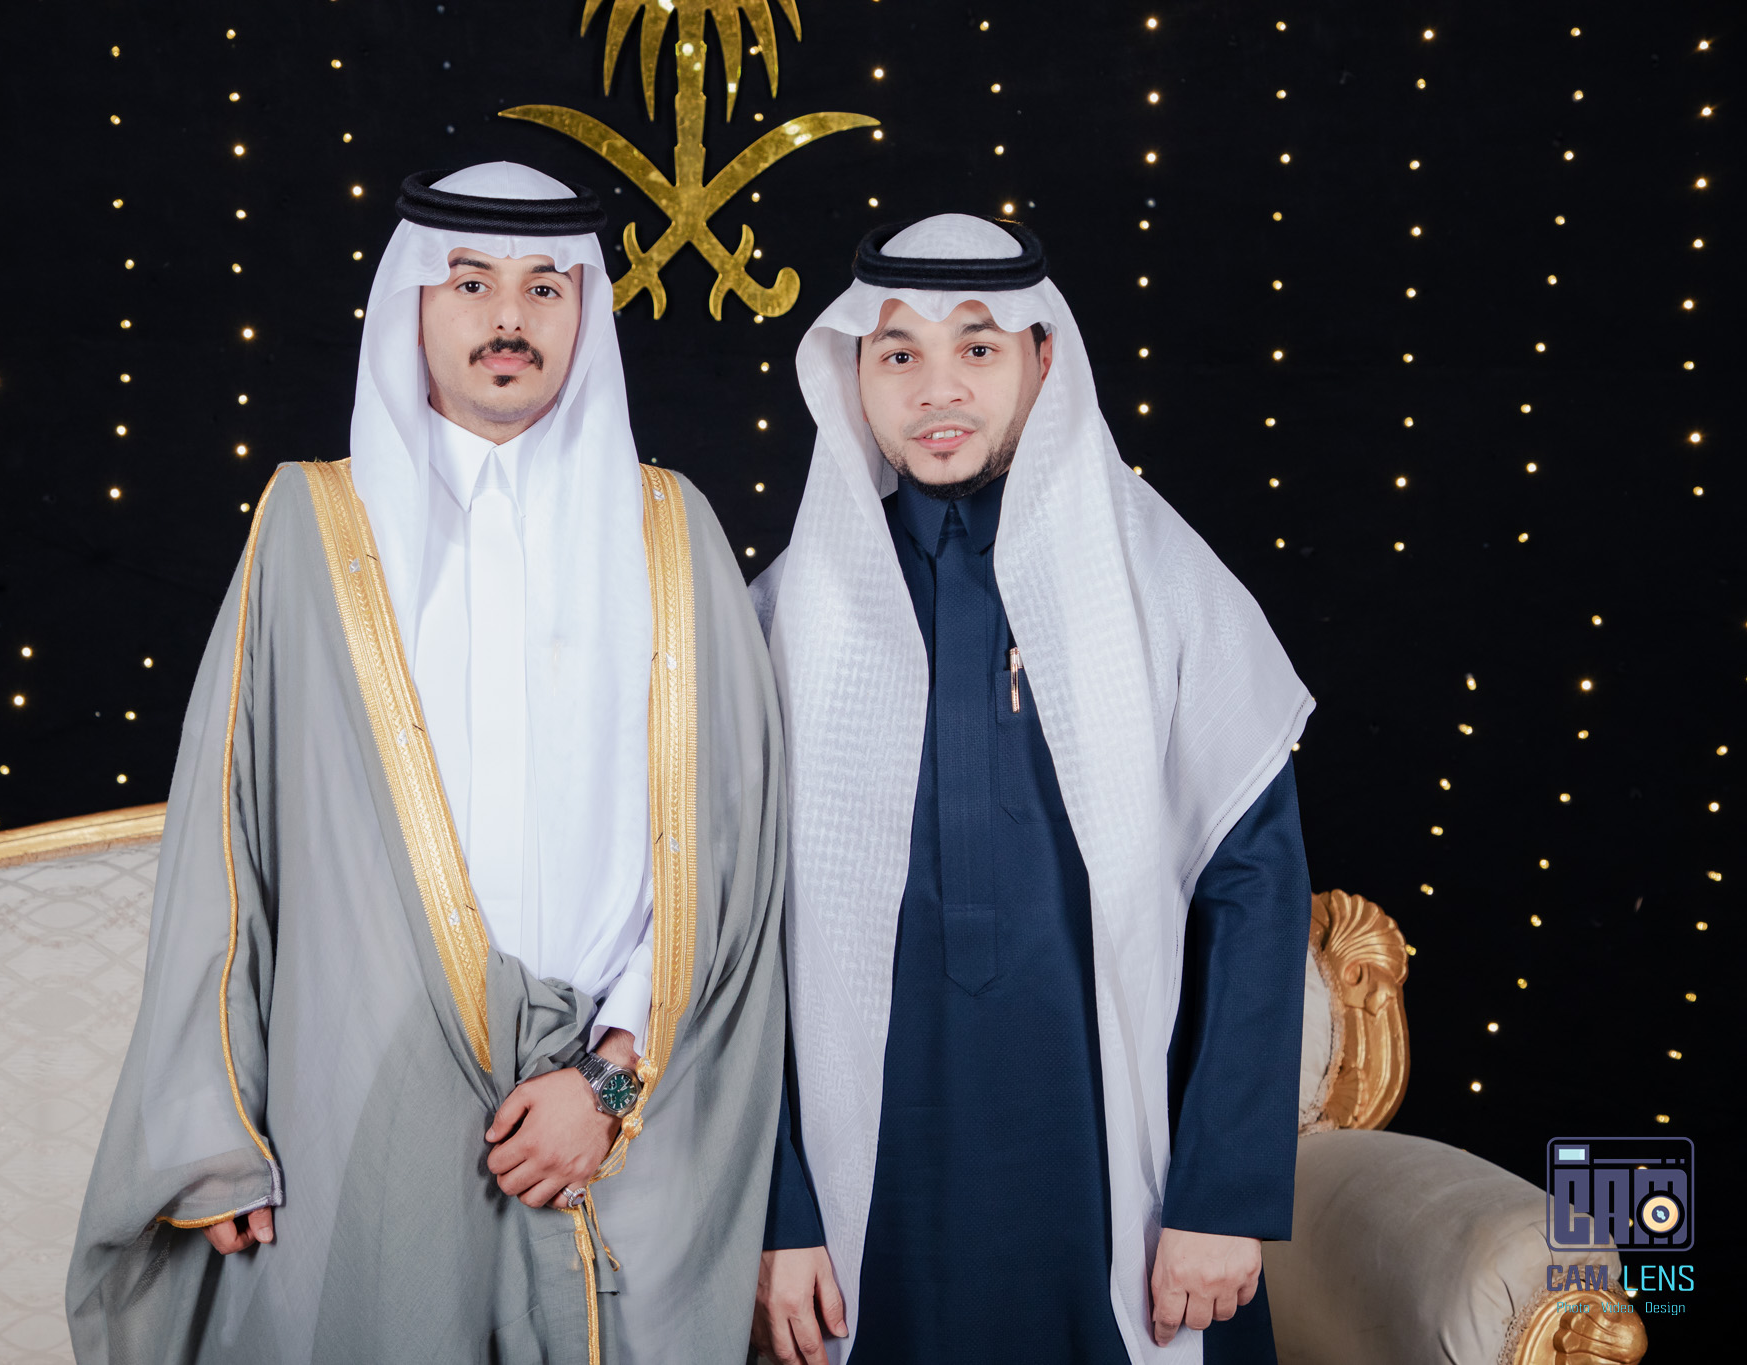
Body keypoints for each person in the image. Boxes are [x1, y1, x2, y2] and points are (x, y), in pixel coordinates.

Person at [67, 162, 789, 1365]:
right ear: (412, 302)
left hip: (619, 1123)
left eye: (543, 287)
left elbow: (731, 851)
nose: (509, 318)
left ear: (582, 310)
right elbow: (225, 843)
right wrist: (209, 1131)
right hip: (364, 1100)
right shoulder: (309, 525)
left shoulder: (673, 530)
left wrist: (610, 1086)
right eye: (470, 283)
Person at [747, 215, 1316, 1364]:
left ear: (1042, 361)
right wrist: (780, 1212)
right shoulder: (785, 614)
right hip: (871, 1209)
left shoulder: (1158, 582)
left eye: (977, 346)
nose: (936, 388)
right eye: (897, 353)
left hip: (1120, 1190)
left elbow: (1254, 896)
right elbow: (731, 948)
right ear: (853, 374)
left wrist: (1220, 1196)